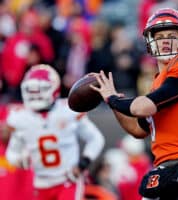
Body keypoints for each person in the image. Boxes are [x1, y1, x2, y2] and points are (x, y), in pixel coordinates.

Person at [89, 8, 178, 200]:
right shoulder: (158, 82)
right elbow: (138, 129)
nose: (165, 40)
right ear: (150, 41)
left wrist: (112, 99)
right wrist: (113, 102)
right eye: (160, 36)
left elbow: (142, 107)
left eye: (171, 35)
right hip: (164, 170)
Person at [5, 64, 105, 200]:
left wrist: (83, 163)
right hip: (40, 183)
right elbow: (11, 153)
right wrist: (19, 160)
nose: (35, 95)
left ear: (54, 88)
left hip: (68, 179)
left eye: (40, 90)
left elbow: (96, 138)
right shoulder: (21, 117)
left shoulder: (68, 110)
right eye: (31, 91)